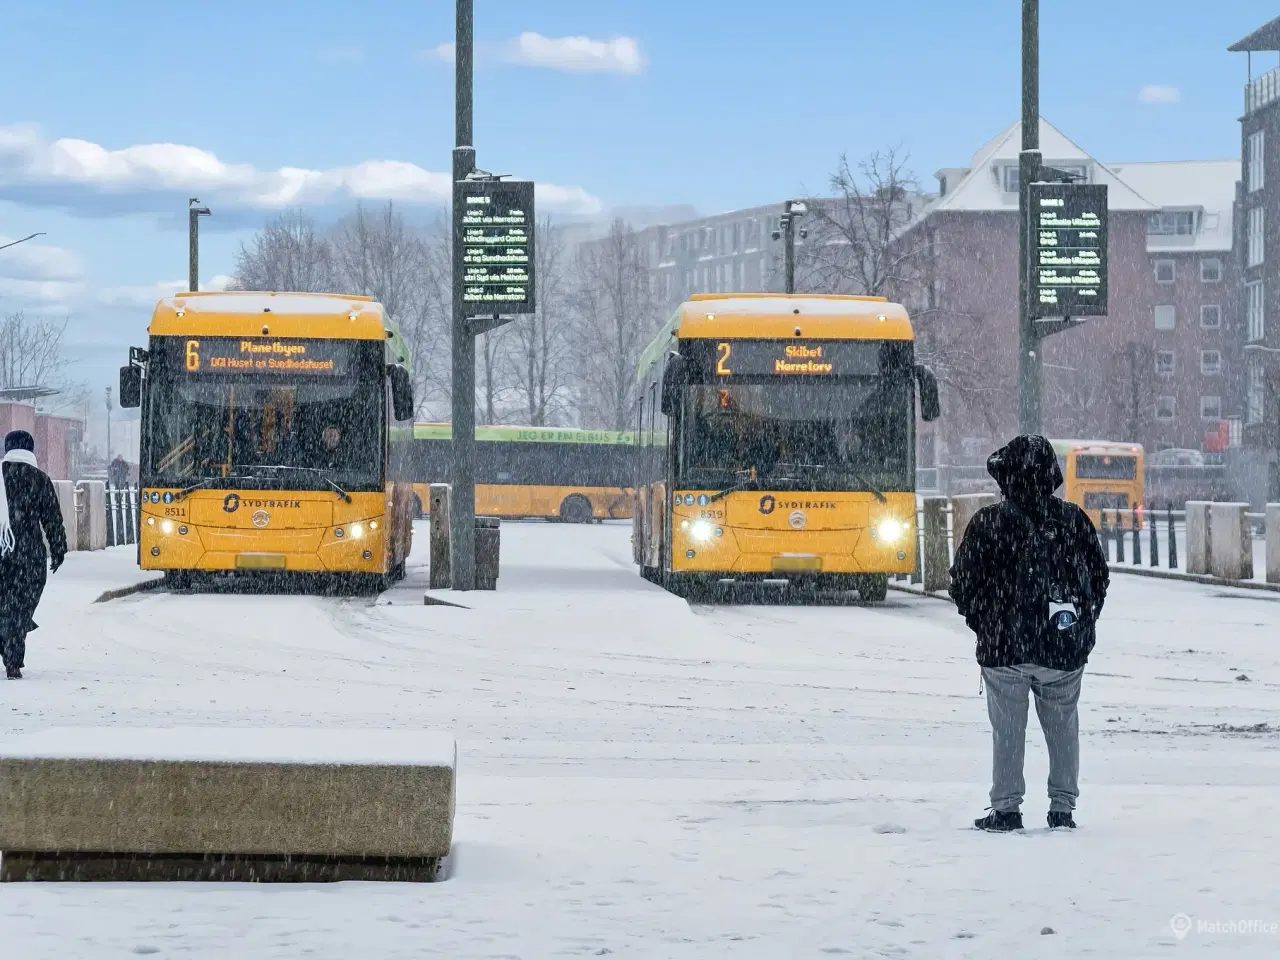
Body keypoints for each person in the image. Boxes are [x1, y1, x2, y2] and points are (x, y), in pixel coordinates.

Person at [949, 435, 1109, 832]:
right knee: (1063, 728)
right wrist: (1081, 626)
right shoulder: (1072, 520)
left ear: (1006, 476)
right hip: (1062, 646)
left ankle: (1006, 809)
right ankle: (1062, 809)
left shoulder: (989, 522)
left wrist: (985, 623)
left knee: (1007, 731)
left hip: (1004, 648)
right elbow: (1098, 578)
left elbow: (963, 582)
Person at [0, 430, 68, 679]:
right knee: (20, 607)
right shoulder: (39, 479)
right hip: (29, 556)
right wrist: (58, 549)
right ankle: (13, 657)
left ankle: (7, 637)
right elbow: (52, 519)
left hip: (2, 553)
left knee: (4, 605)